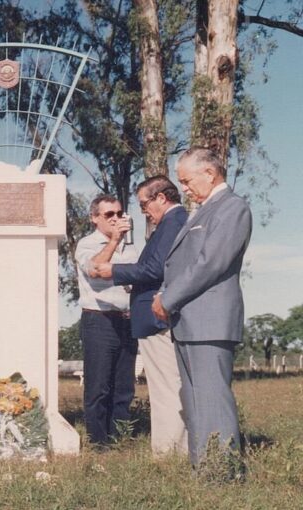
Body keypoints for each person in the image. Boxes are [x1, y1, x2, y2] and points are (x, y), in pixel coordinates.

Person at [152, 147, 252, 468]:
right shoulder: (205, 209)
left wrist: (167, 298)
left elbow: (210, 264)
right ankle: (205, 473)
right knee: (196, 404)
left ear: (209, 174)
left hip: (210, 321)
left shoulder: (232, 208)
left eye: (186, 180)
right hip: (189, 322)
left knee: (212, 401)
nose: (183, 189)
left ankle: (222, 473)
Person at [94, 176, 188, 456]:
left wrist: (115, 272)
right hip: (157, 314)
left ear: (161, 198)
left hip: (156, 315)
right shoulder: (172, 223)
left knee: (165, 389)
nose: (143, 211)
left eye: (144, 203)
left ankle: (168, 453)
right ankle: (173, 449)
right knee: (168, 386)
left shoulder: (172, 223)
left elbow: (156, 269)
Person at [74, 195, 139, 446]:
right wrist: (113, 241)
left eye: (119, 214)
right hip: (99, 321)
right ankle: (98, 443)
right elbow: (94, 270)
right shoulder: (87, 244)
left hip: (126, 320)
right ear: (94, 218)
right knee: (98, 386)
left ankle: (120, 439)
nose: (115, 219)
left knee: (124, 386)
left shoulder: (131, 246)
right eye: (108, 215)